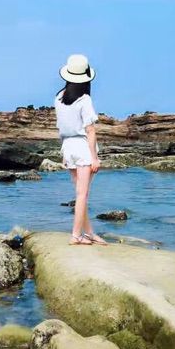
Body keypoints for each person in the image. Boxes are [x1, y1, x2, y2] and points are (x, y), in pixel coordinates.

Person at [54, 54, 107, 246]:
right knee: (82, 195)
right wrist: (95, 158)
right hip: (83, 149)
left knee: (79, 194)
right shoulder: (84, 99)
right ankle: (76, 235)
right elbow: (90, 130)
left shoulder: (58, 97)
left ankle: (89, 233)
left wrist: (63, 153)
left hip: (68, 147)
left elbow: (61, 128)